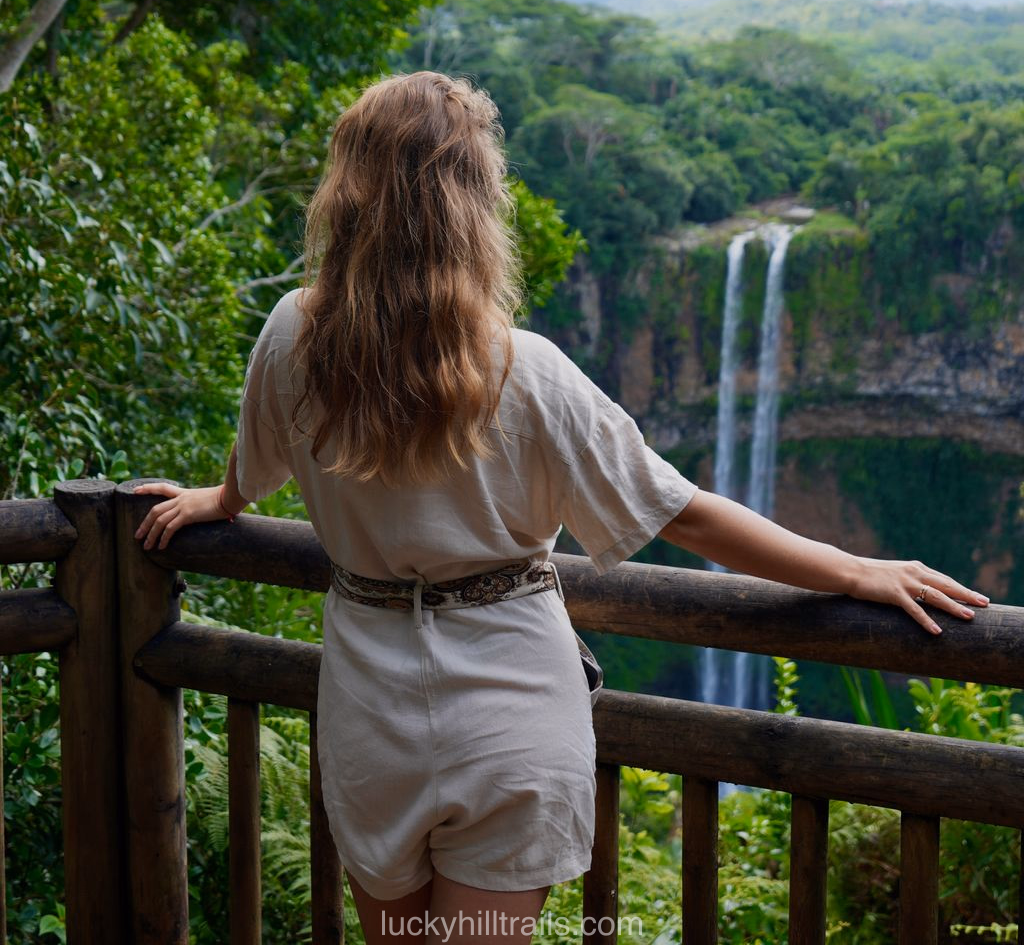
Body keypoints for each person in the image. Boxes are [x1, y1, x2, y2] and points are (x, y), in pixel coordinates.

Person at [134, 70, 989, 944]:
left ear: (347, 194)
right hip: (512, 707)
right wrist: (854, 570)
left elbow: (260, 452)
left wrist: (224, 499)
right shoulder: (524, 368)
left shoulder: (293, 333)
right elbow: (683, 513)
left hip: (369, 707)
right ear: (473, 204)